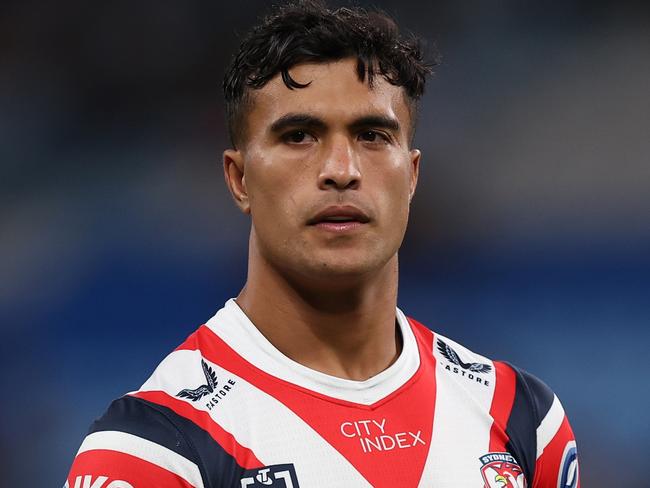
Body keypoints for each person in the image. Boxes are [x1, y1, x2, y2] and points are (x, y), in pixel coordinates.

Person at [65, 1, 579, 487]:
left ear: (413, 175)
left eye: (372, 135)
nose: (341, 171)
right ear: (239, 179)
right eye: (299, 136)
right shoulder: (152, 448)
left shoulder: (523, 419)